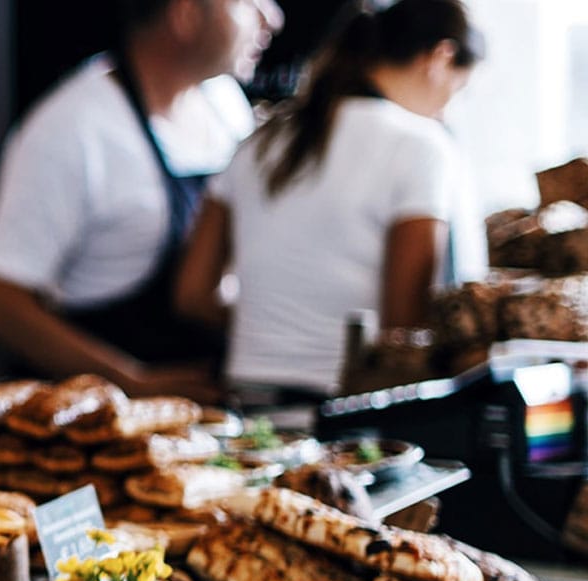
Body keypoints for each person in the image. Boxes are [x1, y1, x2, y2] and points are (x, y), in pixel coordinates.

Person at [0, 0, 285, 403]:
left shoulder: (224, 104)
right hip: (97, 425)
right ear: (185, 14)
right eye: (248, 1)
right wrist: (131, 384)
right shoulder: (71, 129)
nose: (272, 18)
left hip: (208, 412)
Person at [174, 0, 485, 401]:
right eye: (459, 90)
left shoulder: (259, 142)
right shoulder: (422, 147)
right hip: (349, 412)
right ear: (441, 59)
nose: (448, 109)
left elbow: (192, 295)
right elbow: (403, 331)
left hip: (248, 405)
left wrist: (277, 328)